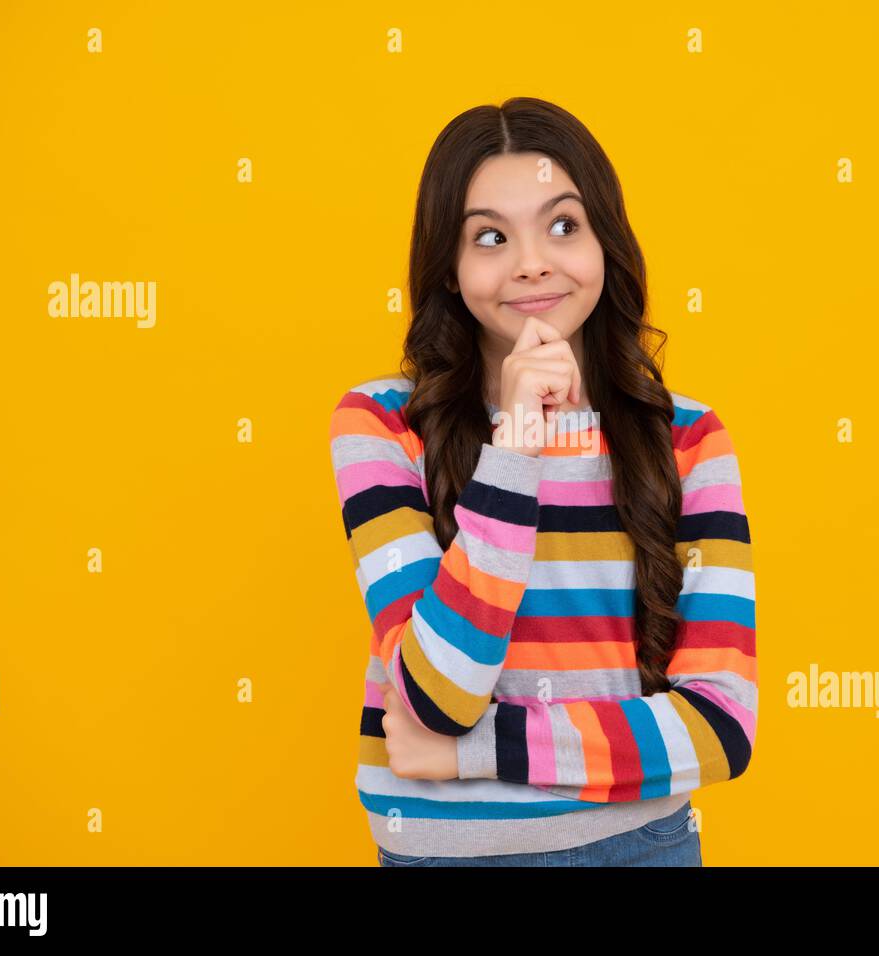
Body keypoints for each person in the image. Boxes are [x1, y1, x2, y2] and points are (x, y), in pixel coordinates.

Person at [328, 97, 756, 867]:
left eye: (563, 225)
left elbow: (722, 728)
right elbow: (437, 694)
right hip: (438, 856)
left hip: (640, 847)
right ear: (451, 273)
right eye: (490, 237)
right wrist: (517, 443)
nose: (532, 261)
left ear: (606, 245)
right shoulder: (380, 426)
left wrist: (474, 751)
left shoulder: (688, 438)